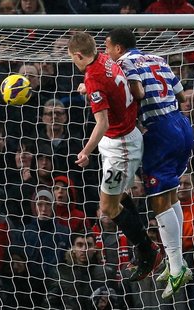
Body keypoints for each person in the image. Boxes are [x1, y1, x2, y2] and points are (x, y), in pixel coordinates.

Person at [105, 28, 194, 298]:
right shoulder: (158, 58)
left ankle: (178, 268)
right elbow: (181, 96)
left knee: (158, 199)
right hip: (181, 123)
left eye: (107, 48)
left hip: (159, 130)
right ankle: (175, 261)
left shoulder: (123, 63)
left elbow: (138, 92)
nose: (106, 53)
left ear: (118, 48)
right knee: (171, 194)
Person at [68, 31, 162, 283]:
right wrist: (88, 87)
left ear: (79, 55)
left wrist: (85, 151)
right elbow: (112, 86)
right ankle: (142, 244)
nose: (74, 63)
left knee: (108, 207)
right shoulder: (106, 60)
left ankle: (147, 251)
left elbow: (101, 123)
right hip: (123, 138)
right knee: (119, 197)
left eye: (73, 59)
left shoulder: (94, 77)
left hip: (120, 146)